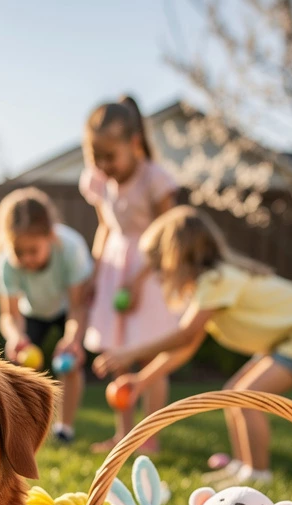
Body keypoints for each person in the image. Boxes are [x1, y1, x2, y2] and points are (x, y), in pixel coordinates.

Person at [94, 206, 292, 486]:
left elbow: (185, 335)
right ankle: (243, 469)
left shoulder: (216, 280)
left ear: (176, 257)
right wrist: (143, 380)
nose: (157, 274)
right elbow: (188, 346)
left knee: (248, 396)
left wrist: (129, 353)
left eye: (159, 264)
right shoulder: (212, 284)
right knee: (235, 394)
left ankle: (259, 475)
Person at [80, 96, 180, 454]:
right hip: (113, 268)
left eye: (111, 157)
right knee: (118, 353)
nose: (104, 166)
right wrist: (93, 272)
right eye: (97, 158)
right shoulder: (100, 181)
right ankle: (125, 436)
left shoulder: (155, 178)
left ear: (134, 143)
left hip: (149, 270)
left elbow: (169, 234)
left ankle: (149, 437)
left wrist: (139, 280)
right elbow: (105, 227)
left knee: (151, 356)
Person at [0, 187, 93, 443]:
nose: (26, 258)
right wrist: (16, 337)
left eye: (33, 250)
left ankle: (64, 428)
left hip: (67, 309)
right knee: (15, 366)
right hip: (32, 311)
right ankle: (21, 430)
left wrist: (72, 338)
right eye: (18, 252)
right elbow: (9, 315)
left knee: (71, 361)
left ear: (50, 236)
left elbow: (79, 305)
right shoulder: (4, 263)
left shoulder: (71, 249)